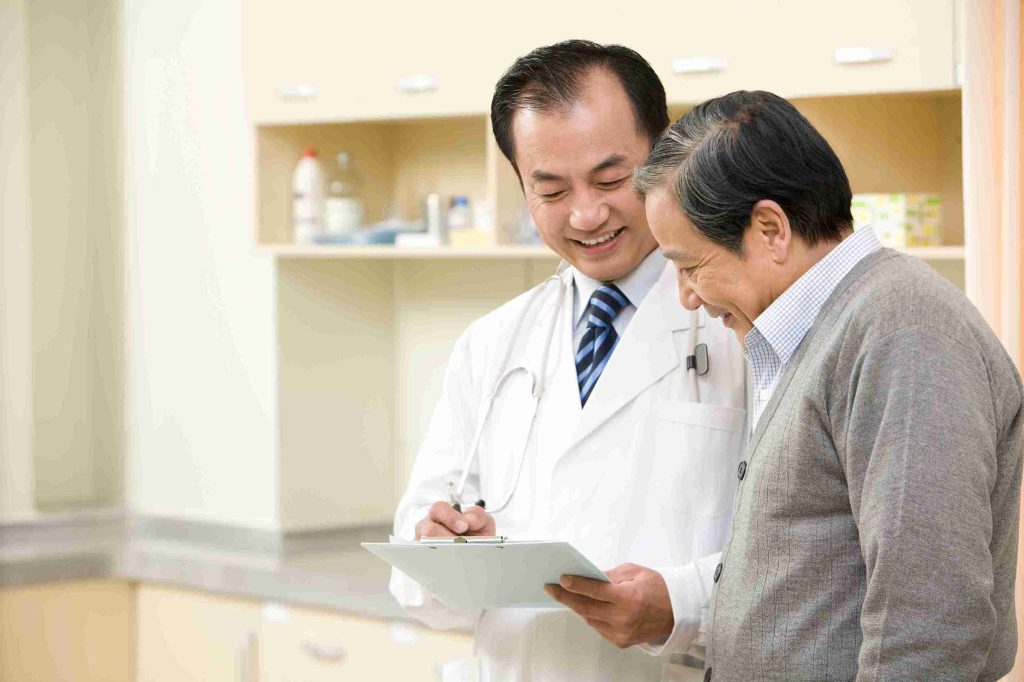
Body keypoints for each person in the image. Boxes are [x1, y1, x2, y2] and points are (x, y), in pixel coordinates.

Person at [632, 89, 1024, 680]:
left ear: (770, 229)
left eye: (692, 266)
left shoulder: (902, 331)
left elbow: (929, 628)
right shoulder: (825, 330)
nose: (689, 296)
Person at [389, 41, 748, 681]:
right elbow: (414, 579)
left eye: (612, 180)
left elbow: (803, 562)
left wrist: (680, 605)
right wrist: (440, 547)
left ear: (665, 156)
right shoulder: (495, 341)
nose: (587, 214)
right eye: (550, 190)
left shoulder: (738, 327)